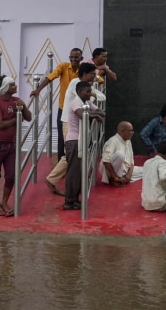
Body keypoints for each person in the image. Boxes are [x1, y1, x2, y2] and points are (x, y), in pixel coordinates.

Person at [43, 63, 101, 194]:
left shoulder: (83, 86)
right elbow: (88, 100)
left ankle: (57, 180)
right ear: (85, 74)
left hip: (76, 123)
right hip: (70, 123)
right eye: (92, 74)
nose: (94, 76)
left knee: (73, 154)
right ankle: (52, 180)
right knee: (70, 155)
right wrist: (96, 110)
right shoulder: (76, 83)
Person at [0, 76, 31, 217]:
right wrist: (15, 119)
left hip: (11, 144)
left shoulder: (16, 101)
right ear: (6, 87)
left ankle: (4, 202)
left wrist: (23, 106)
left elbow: (29, 117)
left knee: (11, 175)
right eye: (12, 85)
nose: (15, 86)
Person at [30, 48, 83, 162]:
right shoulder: (63, 66)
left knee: (76, 137)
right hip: (63, 108)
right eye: (71, 57)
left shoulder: (83, 70)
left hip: (78, 109)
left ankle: (74, 161)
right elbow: (51, 76)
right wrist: (38, 89)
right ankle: (61, 161)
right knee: (62, 137)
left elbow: (95, 78)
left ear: (81, 59)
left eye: (76, 57)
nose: (73, 59)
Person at [63, 79, 104, 210]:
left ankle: (75, 199)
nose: (90, 94)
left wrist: (96, 114)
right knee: (73, 173)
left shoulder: (85, 103)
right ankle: (69, 201)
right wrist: (95, 116)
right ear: (80, 92)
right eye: (88, 91)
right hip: (74, 141)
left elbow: (101, 111)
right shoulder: (75, 103)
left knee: (79, 173)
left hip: (81, 141)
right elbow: (83, 115)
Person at [101, 121, 135, 186]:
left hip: (124, 170)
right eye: (131, 130)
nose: (133, 133)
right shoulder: (113, 141)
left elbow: (131, 160)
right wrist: (116, 178)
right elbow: (105, 161)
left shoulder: (128, 141)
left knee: (145, 170)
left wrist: (129, 175)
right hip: (110, 173)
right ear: (124, 132)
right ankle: (114, 179)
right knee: (120, 154)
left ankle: (123, 178)